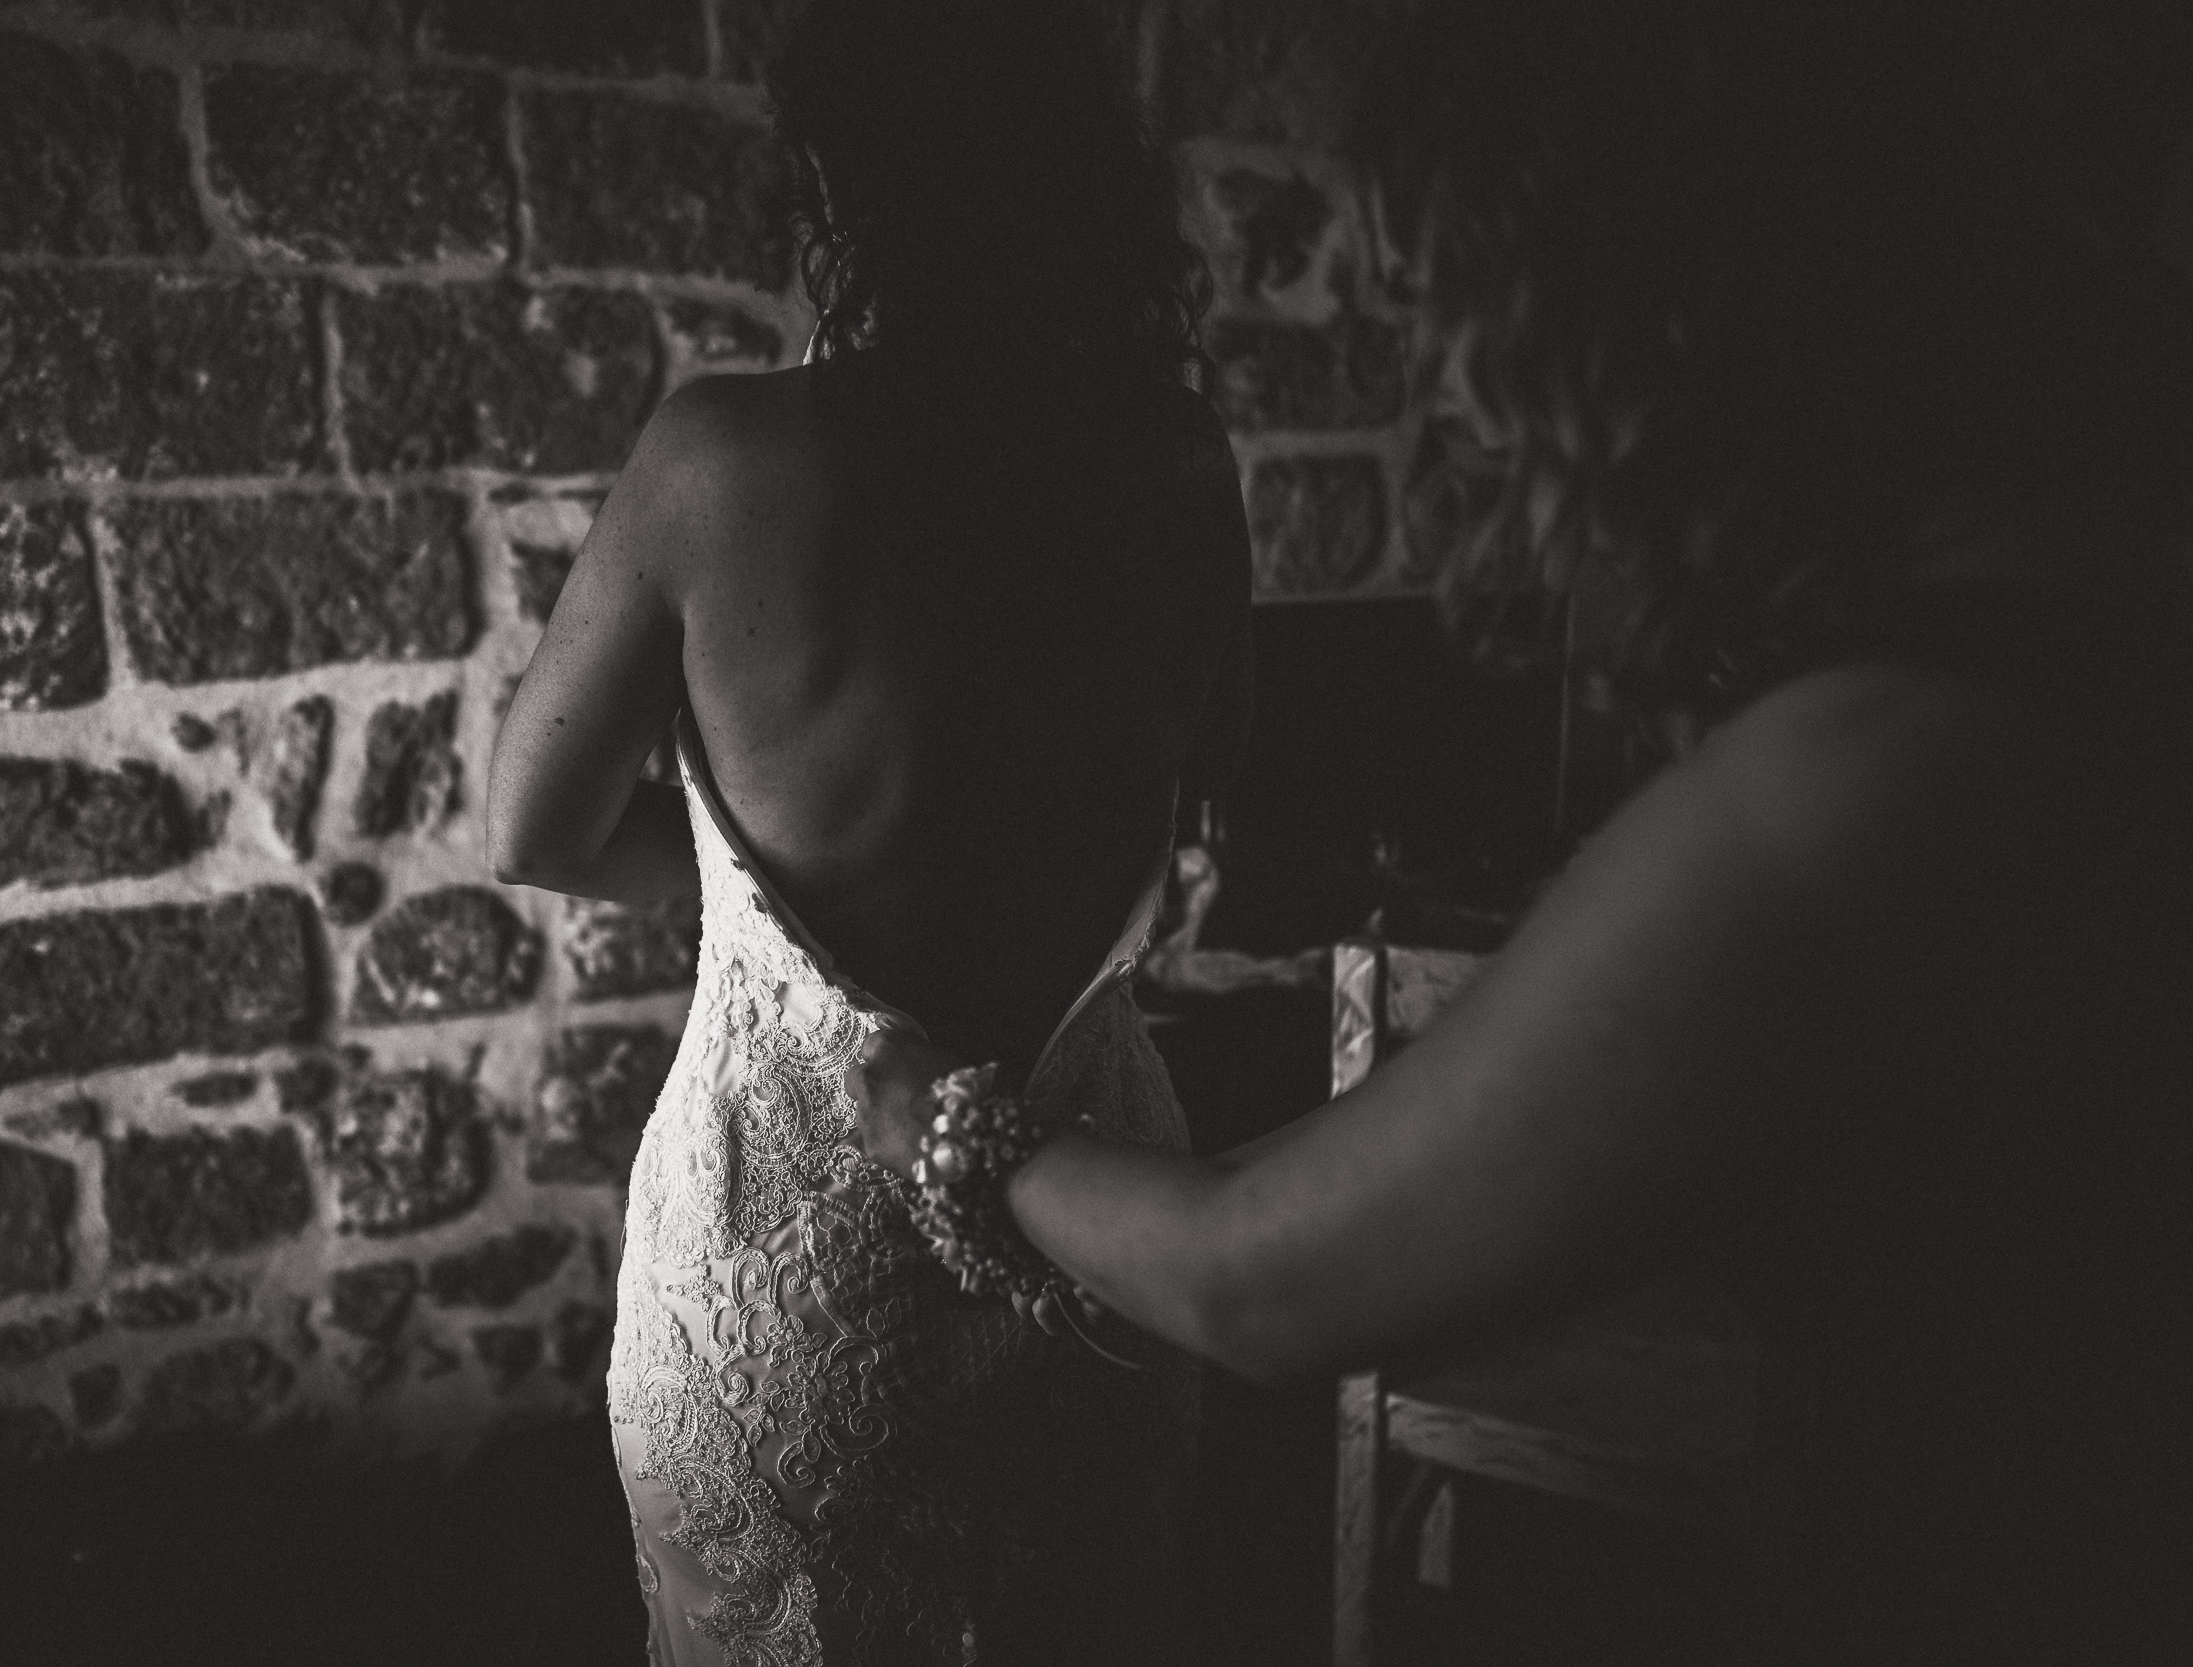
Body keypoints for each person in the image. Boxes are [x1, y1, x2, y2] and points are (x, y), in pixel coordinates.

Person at [842, 2, 2193, 1662]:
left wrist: (952, 1128)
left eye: (1478, 330)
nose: (1478, 417)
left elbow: (1254, 1282)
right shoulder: (2111, 597)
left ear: (1645, 295)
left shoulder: (1864, 781)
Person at [486, 2, 1245, 1660]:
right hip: (1097, 1222)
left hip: (789, 1261)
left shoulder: (723, 459)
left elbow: (530, 822)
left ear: (848, 185)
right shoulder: (1180, 468)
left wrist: (772, 915)